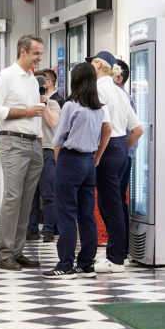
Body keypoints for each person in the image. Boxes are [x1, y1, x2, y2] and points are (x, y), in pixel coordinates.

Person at [42, 62, 111, 279]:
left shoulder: (71, 106)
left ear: (75, 80)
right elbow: (104, 133)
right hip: (89, 162)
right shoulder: (99, 109)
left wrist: (59, 159)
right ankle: (86, 264)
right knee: (86, 214)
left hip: (70, 160)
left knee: (66, 214)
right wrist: (96, 157)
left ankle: (65, 265)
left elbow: (59, 138)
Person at [0, 34, 46, 271]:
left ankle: (17, 252)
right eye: (36, 53)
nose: (39, 58)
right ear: (23, 51)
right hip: (13, 142)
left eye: (40, 53)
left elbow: (36, 114)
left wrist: (39, 140)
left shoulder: (32, 79)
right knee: (12, 198)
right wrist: (25, 112)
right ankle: (4, 254)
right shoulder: (6, 76)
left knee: (26, 201)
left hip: (33, 144)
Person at [91, 51, 144, 273]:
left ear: (99, 65)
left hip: (107, 147)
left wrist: (99, 155)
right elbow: (138, 129)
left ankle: (116, 259)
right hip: (121, 147)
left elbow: (105, 126)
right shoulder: (119, 92)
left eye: (93, 62)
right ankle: (117, 252)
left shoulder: (99, 89)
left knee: (110, 205)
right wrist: (122, 149)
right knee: (112, 203)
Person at [27, 72, 60, 242]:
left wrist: (44, 103)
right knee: (31, 195)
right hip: (31, 150)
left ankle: (48, 230)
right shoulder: (27, 103)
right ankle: (31, 229)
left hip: (48, 151)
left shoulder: (53, 103)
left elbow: (54, 122)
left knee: (48, 194)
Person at [114, 59, 137, 241]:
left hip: (121, 155)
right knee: (116, 198)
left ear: (119, 78)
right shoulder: (115, 95)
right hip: (120, 154)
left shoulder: (122, 98)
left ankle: (121, 247)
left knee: (117, 199)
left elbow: (137, 130)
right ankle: (118, 246)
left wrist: (123, 149)